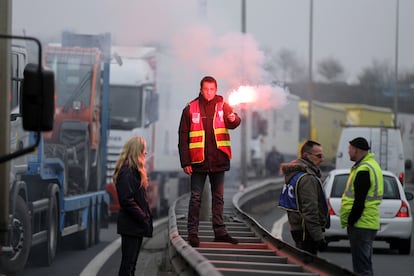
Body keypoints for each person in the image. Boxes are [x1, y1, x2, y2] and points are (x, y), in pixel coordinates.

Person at [178, 75, 241, 247]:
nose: (209, 92)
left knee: (218, 198)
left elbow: (234, 121)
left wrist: (233, 119)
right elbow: (183, 138)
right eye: (205, 89)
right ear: (200, 89)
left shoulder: (223, 105)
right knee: (196, 198)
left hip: (219, 160)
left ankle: (220, 232)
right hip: (198, 162)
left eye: (212, 89)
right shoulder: (190, 108)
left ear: (216, 89)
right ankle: (193, 234)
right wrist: (185, 162)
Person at [340, 137, 383, 276]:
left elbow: (359, 201)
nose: (348, 152)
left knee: (361, 268)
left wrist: (351, 221)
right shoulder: (372, 165)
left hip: (361, 223)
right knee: (365, 263)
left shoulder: (363, 169)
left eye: (349, 149)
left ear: (356, 150)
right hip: (368, 222)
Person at [278, 140, 329, 255]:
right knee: (309, 264)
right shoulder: (307, 178)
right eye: (318, 156)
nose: (322, 159)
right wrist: (319, 238)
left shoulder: (294, 175)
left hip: (297, 228)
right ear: (306, 155)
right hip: (306, 231)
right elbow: (310, 211)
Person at [113, 136, 153, 276]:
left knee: (131, 266)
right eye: (143, 149)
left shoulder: (133, 171)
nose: (145, 153)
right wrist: (143, 217)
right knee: (128, 266)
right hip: (131, 225)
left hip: (134, 226)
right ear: (137, 151)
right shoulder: (128, 172)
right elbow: (127, 200)